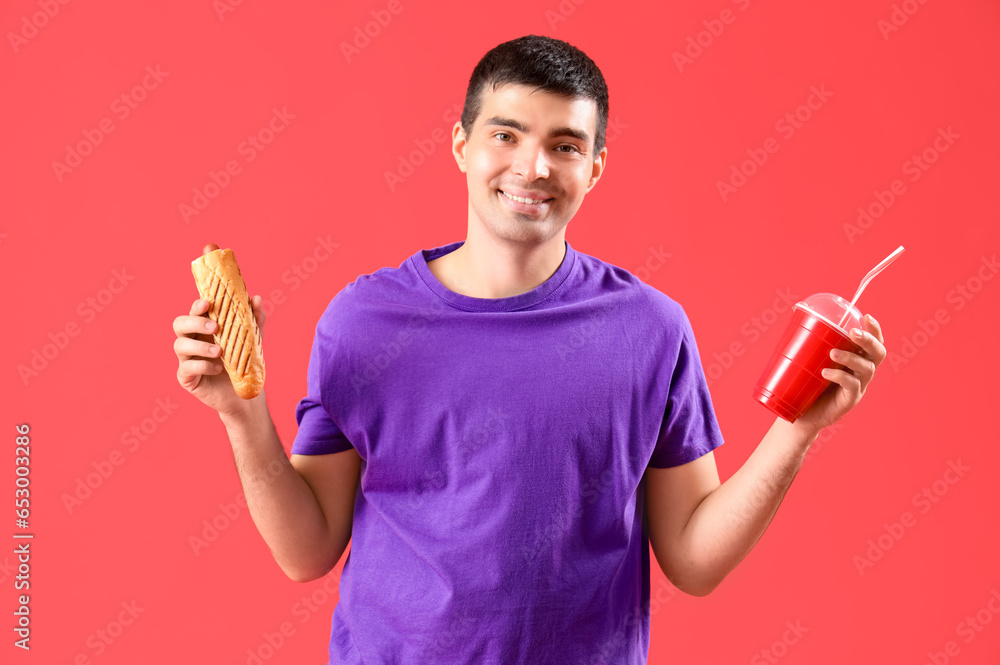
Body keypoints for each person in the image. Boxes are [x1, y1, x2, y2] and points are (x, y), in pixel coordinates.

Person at [173, 34, 886, 665]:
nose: (533, 167)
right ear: (461, 144)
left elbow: (694, 559)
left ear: (596, 167)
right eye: (506, 135)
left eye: (565, 145)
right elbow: (307, 549)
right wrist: (242, 414)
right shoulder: (365, 321)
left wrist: (797, 430)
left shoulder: (652, 330)